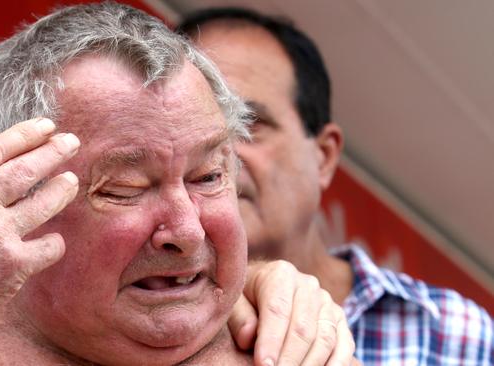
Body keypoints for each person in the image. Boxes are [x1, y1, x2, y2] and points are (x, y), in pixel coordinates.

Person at [0, 3, 358, 365]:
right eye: (124, 188)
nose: (187, 231)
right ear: (14, 194)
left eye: (209, 177)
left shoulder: (295, 343)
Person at [177, 7, 493, 365]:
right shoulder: (139, 323)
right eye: (200, 127)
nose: (222, 156)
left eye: (249, 122)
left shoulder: (452, 332)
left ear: (324, 157)